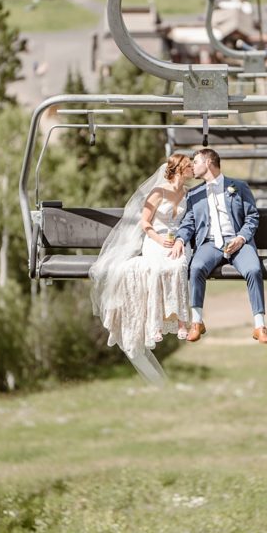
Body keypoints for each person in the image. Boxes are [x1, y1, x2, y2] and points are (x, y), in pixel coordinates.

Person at [90, 153, 196, 382]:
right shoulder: (158, 192)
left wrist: (179, 240)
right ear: (179, 169)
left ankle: (181, 321)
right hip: (156, 240)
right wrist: (159, 240)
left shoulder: (188, 193)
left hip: (178, 241)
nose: (193, 169)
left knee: (179, 267)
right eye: (189, 166)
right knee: (156, 269)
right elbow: (145, 222)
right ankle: (155, 322)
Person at [169, 147, 267, 344]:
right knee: (196, 267)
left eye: (196, 162)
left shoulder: (239, 187)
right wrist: (180, 239)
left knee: (253, 269)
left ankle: (260, 326)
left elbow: (252, 217)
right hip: (210, 244)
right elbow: (188, 223)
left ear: (208, 162)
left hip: (238, 242)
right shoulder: (194, 194)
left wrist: (241, 238)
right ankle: (197, 322)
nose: (192, 166)